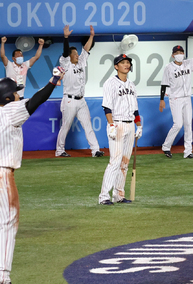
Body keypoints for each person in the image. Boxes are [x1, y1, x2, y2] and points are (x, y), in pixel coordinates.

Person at [0, 68, 65, 284]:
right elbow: (37, 101)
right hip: (0, 176)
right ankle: (1, 274)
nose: (20, 95)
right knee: (8, 222)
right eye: (17, 92)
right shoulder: (11, 111)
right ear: (8, 97)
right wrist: (54, 80)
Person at [99, 55, 142, 205]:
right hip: (116, 124)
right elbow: (107, 107)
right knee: (115, 161)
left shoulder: (131, 84)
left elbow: (135, 110)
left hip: (130, 125)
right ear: (116, 66)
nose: (126, 65)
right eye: (123, 63)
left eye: (128, 63)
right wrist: (110, 125)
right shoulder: (110, 83)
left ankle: (118, 195)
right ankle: (104, 196)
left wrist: (139, 125)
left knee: (124, 163)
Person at [55, 25, 104, 158]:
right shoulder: (65, 63)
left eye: (77, 53)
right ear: (69, 56)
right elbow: (65, 52)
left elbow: (86, 49)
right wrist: (66, 38)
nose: (77, 55)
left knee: (88, 125)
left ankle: (95, 150)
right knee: (65, 126)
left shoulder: (81, 62)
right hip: (69, 100)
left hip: (81, 100)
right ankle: (59, 151)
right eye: (74, 54)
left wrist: (92, 36)